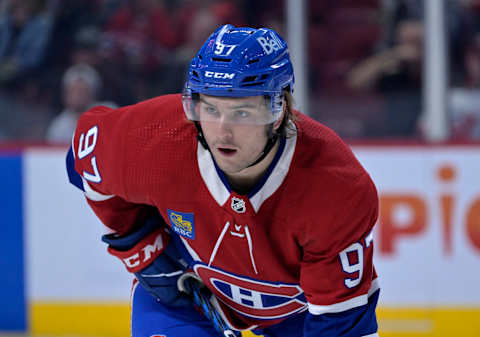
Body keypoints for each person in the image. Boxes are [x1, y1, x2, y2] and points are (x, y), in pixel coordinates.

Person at [66, 24, 380, 337]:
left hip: (297, 316)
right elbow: (81, 161)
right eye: (210, 109)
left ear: (279, 110)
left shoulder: (335, 188)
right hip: (188, 292)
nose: (223, 131)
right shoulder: (155, 139)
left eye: (242, 112)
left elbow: (339, 326)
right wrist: (140, 245)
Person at [46, 63, 115, 143]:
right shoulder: (59, 126)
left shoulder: (108, 113)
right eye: (73, 91)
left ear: (93, 92)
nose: (77, 96)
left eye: (82, 91)